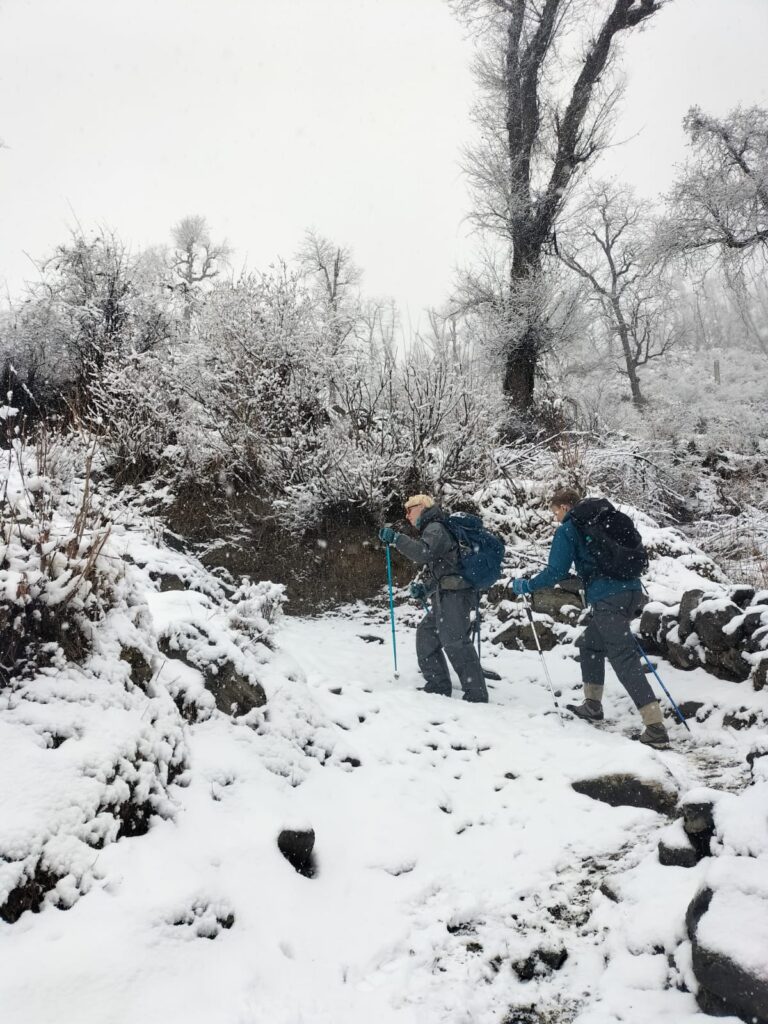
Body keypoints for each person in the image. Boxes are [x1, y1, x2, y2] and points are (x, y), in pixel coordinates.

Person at [509, 487, 670, 749]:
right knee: (590, 644)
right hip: (631, 592)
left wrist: (526, 586)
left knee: (623, 656)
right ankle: (592, 705)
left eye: (554, 512)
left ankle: (654, 727)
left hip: (608, 598)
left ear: (563, 507)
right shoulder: (605, 520)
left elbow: (555, 571)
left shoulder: (569, 529)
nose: (554, 518)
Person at [378, 494, 488, 703]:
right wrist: (425, 588)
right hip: (446, 594)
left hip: (455, 595)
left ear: (422, 507)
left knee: (455, 642)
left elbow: (423, 553)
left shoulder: (435, 527)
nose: (407, 515)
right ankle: (438, 685)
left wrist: (396, 539)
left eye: (410, 509)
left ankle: (477, 694)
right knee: (427, 635)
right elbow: (444, 567)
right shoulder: (435, 528)